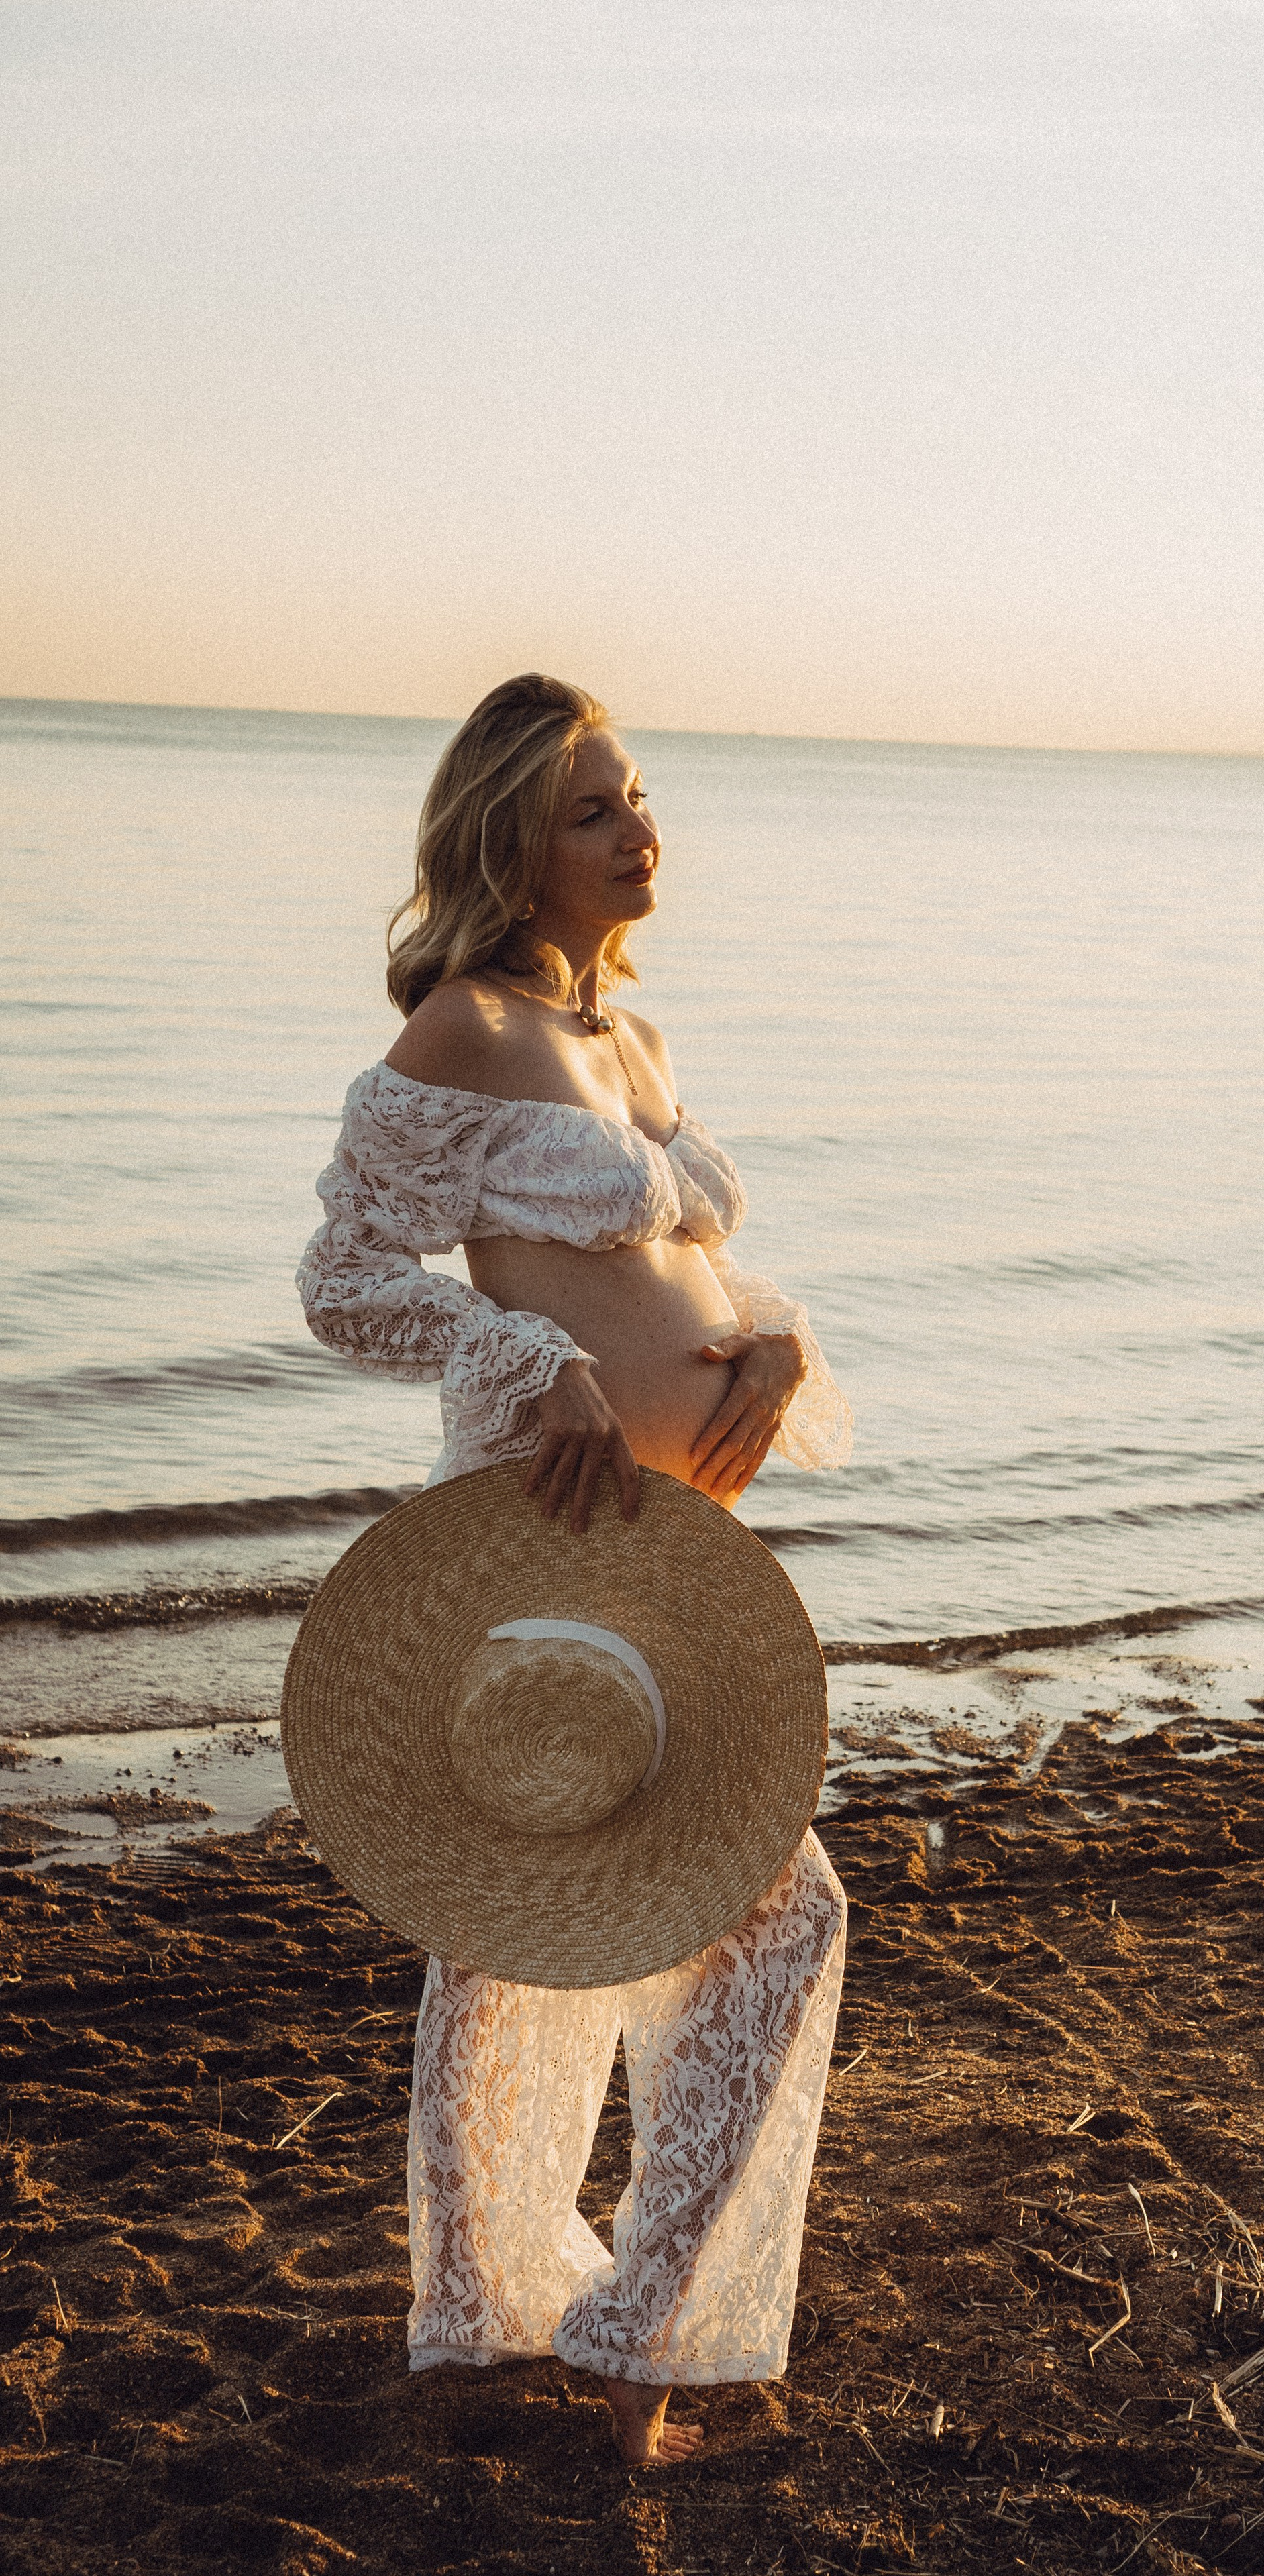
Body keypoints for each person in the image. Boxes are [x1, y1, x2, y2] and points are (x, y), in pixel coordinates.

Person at [297, 673, 852, 2463]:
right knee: (531, 1927)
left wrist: (766, 1340)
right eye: (598, 809)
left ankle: (538, 2336)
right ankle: (562, 2340)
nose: (641, 831)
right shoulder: (460, 1027)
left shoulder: (636, 1047)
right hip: (542, 1536)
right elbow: (349, 1280)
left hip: (683, 1542)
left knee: (625, 1920)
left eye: (638, 798)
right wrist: (525, 1362)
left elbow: (678, 1266)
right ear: (514, 846)